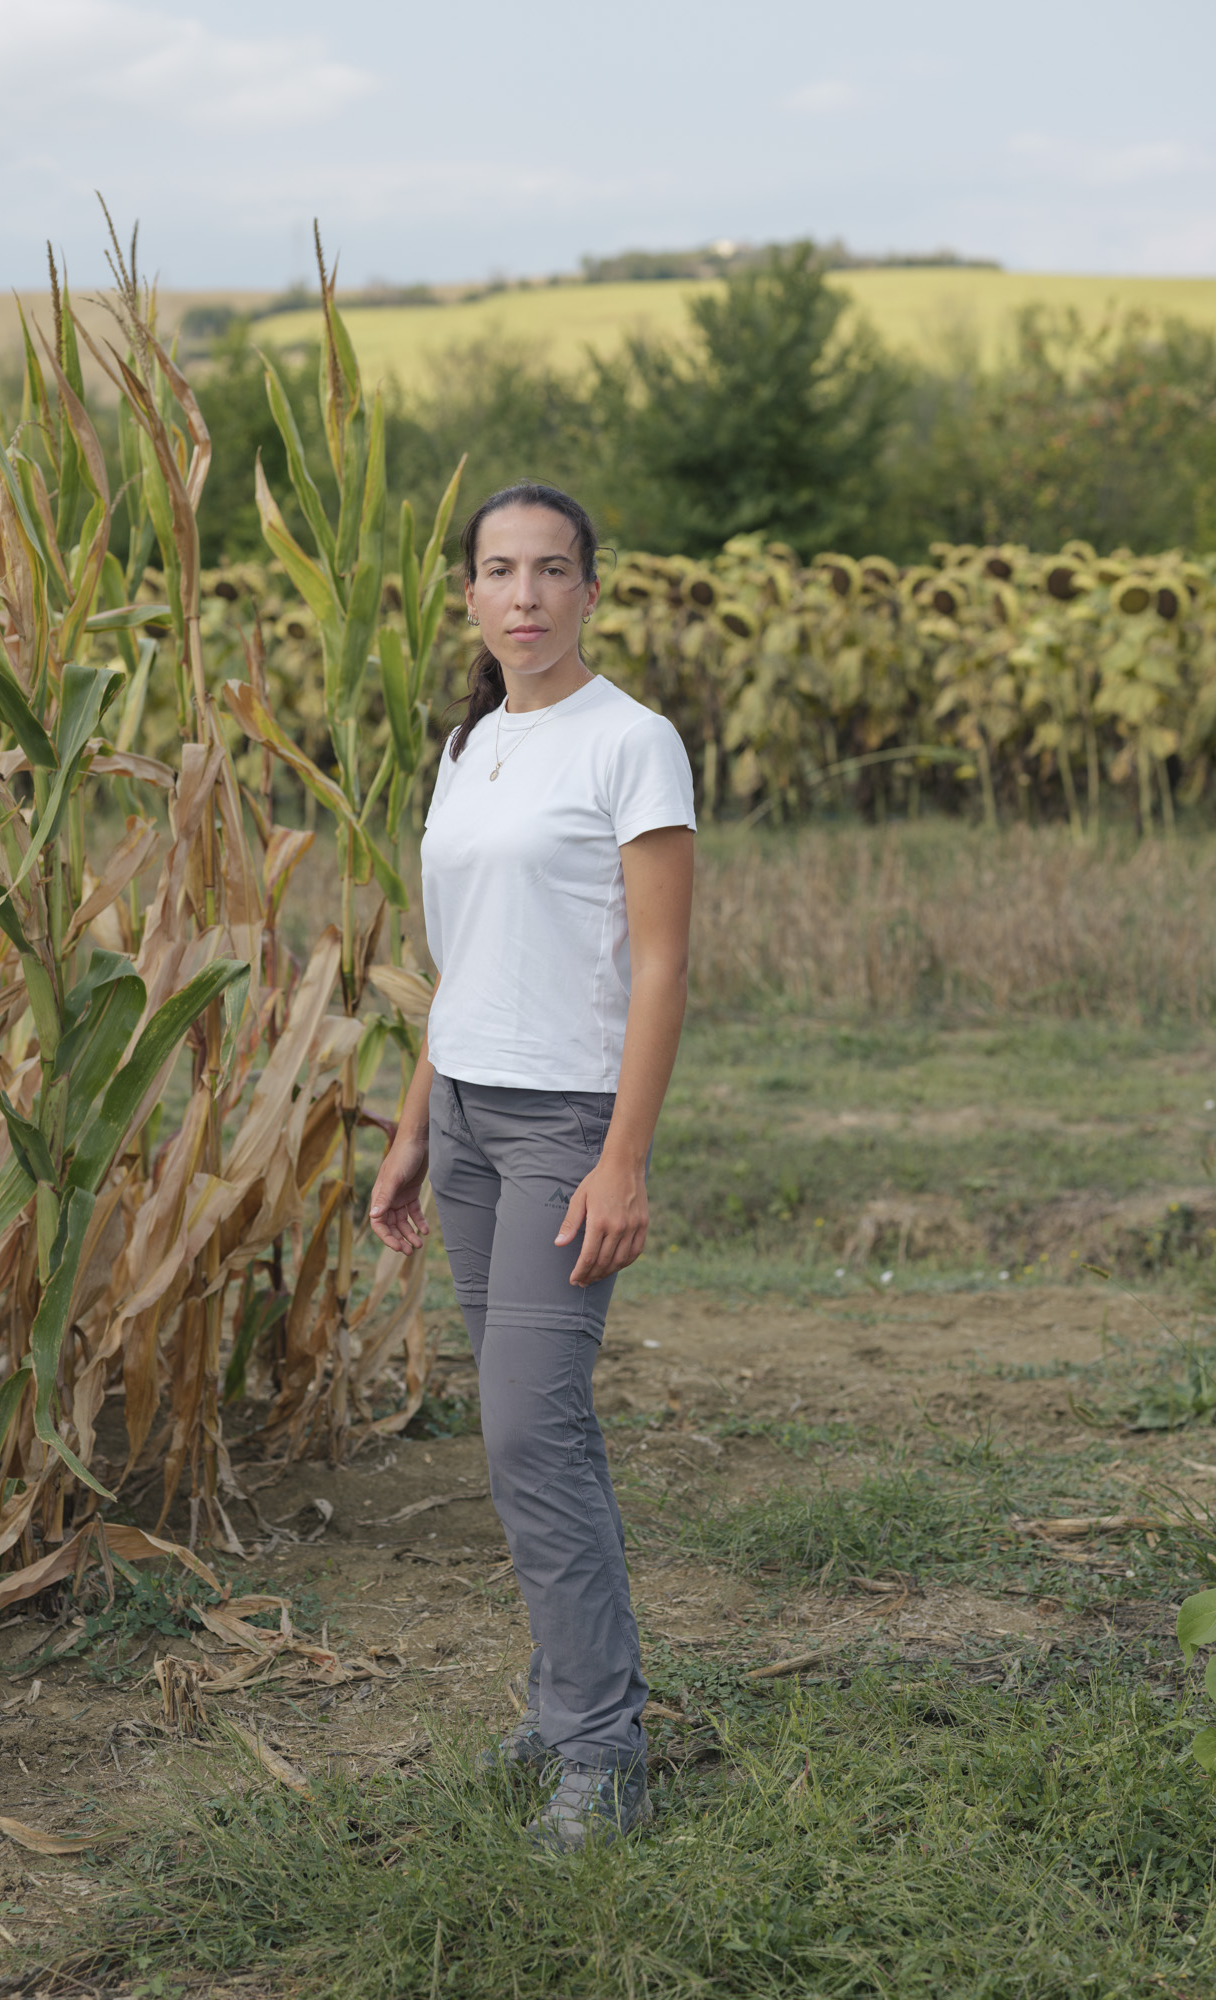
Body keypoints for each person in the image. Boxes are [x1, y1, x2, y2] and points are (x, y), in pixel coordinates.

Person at [368, 481, 695, 1851]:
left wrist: (623, 1162)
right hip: (467, 1128)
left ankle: (603, 1752)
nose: (524, 597)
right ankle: (570, 1701)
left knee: (526, 1428)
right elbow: (467, 963)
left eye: (551, 571)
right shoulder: (468, 746)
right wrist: (410, 1120)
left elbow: (664, 964)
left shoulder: (633, 744)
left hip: (566, 1127)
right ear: (469, 596)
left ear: (590, 593)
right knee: (529, 1437)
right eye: (499, 571)